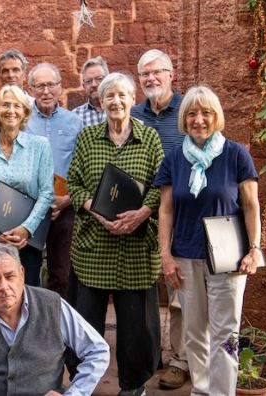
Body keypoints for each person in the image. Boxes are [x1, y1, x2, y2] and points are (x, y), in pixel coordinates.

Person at [154, 85, 261, 396]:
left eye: (206, 113)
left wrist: (254, 249)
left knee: (226, 334)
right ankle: (201, 390)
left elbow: (251, 205)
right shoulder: (174, 158)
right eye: (191, 113)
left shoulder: (236, 154)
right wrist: (166, 256)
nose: (198, 119)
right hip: (186, 255)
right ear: (184, 119)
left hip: (228, 257)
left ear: (217, 117)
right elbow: (166, 209)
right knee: (195, 333)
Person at [67, 72, 164, 396]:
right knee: (85, 322)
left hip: (136, 249)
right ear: (101, 100)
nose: (116, 101)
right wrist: (97, 210)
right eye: (110, 96)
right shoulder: (87, 138)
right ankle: (84, 382)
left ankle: (133, 385)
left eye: (122, 95)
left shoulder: (149, 139)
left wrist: (142, 213)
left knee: (137, 326)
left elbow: (161, 185)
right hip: (94, 247)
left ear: (132, 98)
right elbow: (75, 184)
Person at [0, 243, 110, 395]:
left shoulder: (52, 305)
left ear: (22, 274)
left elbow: (98, 350)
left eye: (9, 276)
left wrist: (75, 393)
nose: (4, 287)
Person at [130, 49, 189, 389]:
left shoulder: (186, 111)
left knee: (178, 290)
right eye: (145, 74)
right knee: (141, 289)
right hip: (138, 214)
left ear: (171, 74)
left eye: (157, 72)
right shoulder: (134, 113)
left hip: (175, 213)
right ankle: (148, 356)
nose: (151, 78)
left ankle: (181, 361)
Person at [0, 85, 54, 287]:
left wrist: (26, 229)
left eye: (17, 106)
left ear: (25, 112)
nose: (11, 110)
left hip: (27, 241)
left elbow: (46, 192)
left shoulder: (40, 146)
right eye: (5, 105)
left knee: (28, 298)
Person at [27, 63, 83, 299]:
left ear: (60, 87)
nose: (46, 91)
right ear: (31, 89)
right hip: (29, 205)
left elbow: (83, 166)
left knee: (62, 272)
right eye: (40, 85)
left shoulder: (74, 122)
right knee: (29, 269)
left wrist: (66, 201)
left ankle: (60, 327)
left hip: (64, 206)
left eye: (51, 85)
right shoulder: (22, 119)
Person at [0, 49, 33, 129]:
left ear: (24, 75)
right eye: (5, 71)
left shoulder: (35, 106)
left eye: (15, 70)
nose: (10, 75)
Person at [72, 55, 108, 127]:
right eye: (88, 81)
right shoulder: (75, 116)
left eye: (99, 79)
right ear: (84, 86)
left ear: (108, 80)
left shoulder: (120, 109)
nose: (94, 85)